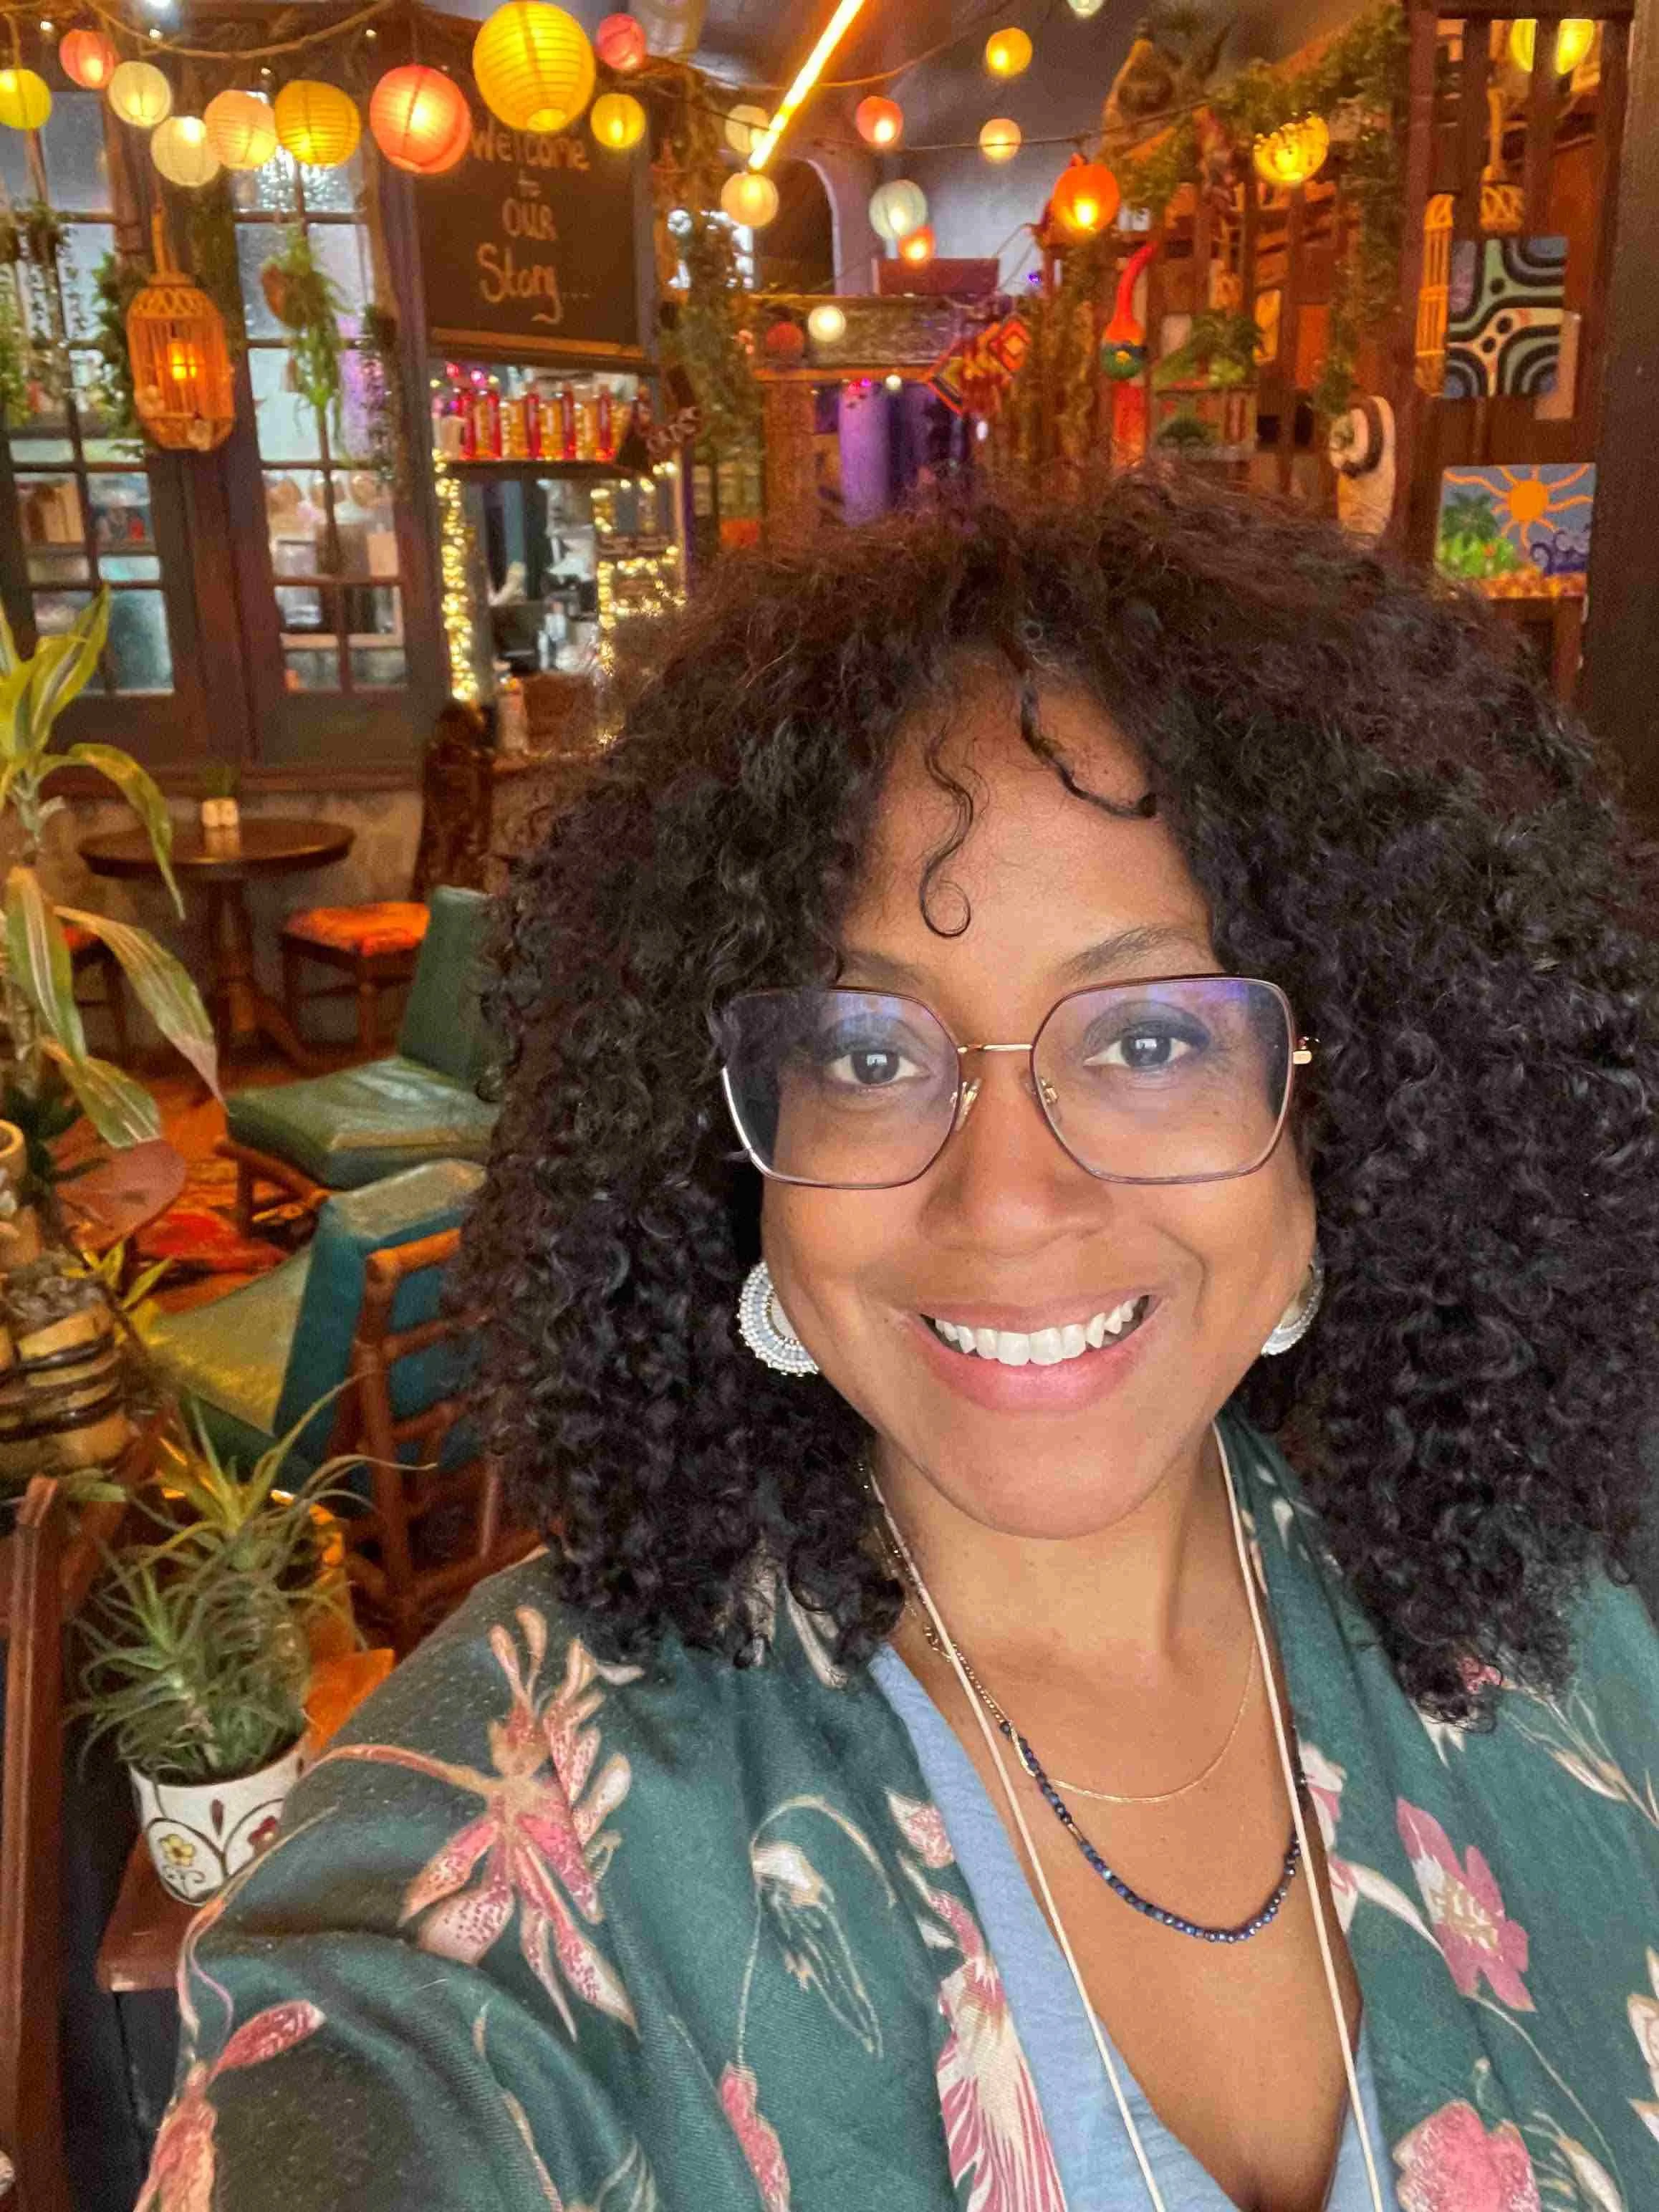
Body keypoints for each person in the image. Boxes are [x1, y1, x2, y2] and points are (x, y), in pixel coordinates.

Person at [140, 478, 1659, 2212]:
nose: (1007, 1199)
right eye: (868, 1052)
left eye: (1153, 1036)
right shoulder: (511, 1829)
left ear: (1345, 1104)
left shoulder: (1554, 1633)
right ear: (730, 1139)